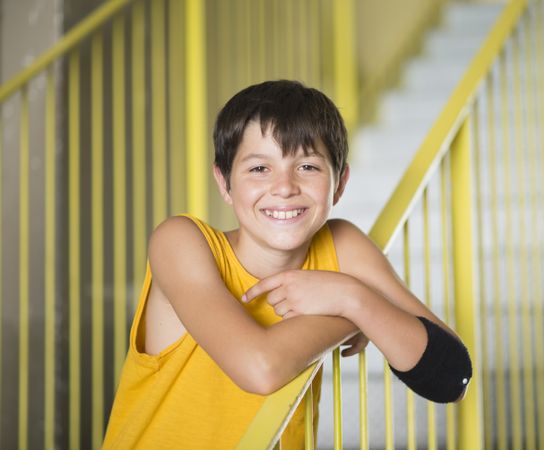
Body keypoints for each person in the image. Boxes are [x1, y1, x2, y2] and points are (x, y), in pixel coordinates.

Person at [102, 80, 472, 449]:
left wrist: (353, 298)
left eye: (308, 166)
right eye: (259, 168)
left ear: (340, 184)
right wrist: (356, 311)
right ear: (224, 181)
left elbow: (451, 376)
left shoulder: (342, 246)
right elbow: (260, 369)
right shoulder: (181, 242)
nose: (284, 187)